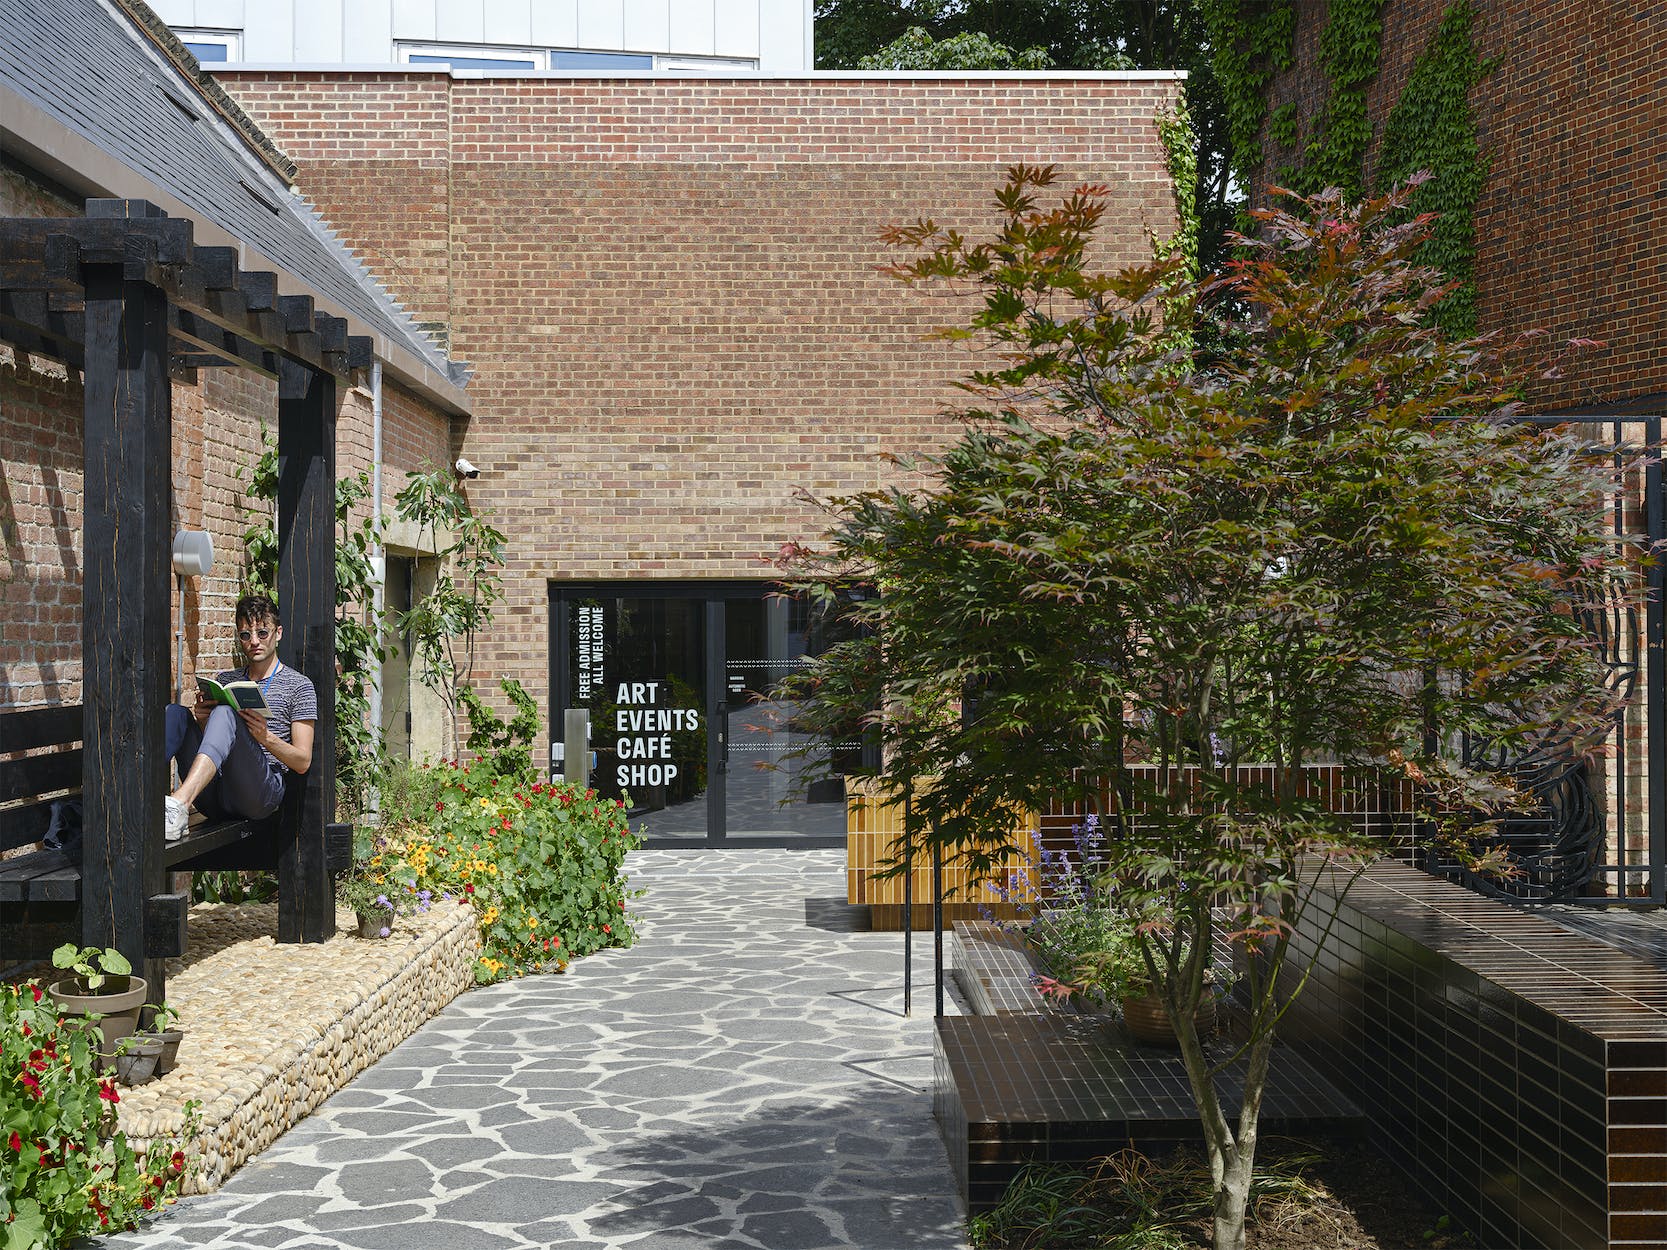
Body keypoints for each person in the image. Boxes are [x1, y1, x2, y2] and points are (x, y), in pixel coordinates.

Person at [163, 595, 316, 840]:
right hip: (216, 792)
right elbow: (216, 745)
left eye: (262, 633)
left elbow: (303, 761)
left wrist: (265, 737)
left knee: (225, 713)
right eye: (246, 635)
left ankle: (179, 802)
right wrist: (203, 721)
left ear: (278, 633)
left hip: (260, 794)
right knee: (176, 713)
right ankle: (132, 796)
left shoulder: (298, 686)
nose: (254, 641)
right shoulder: (227, 681)